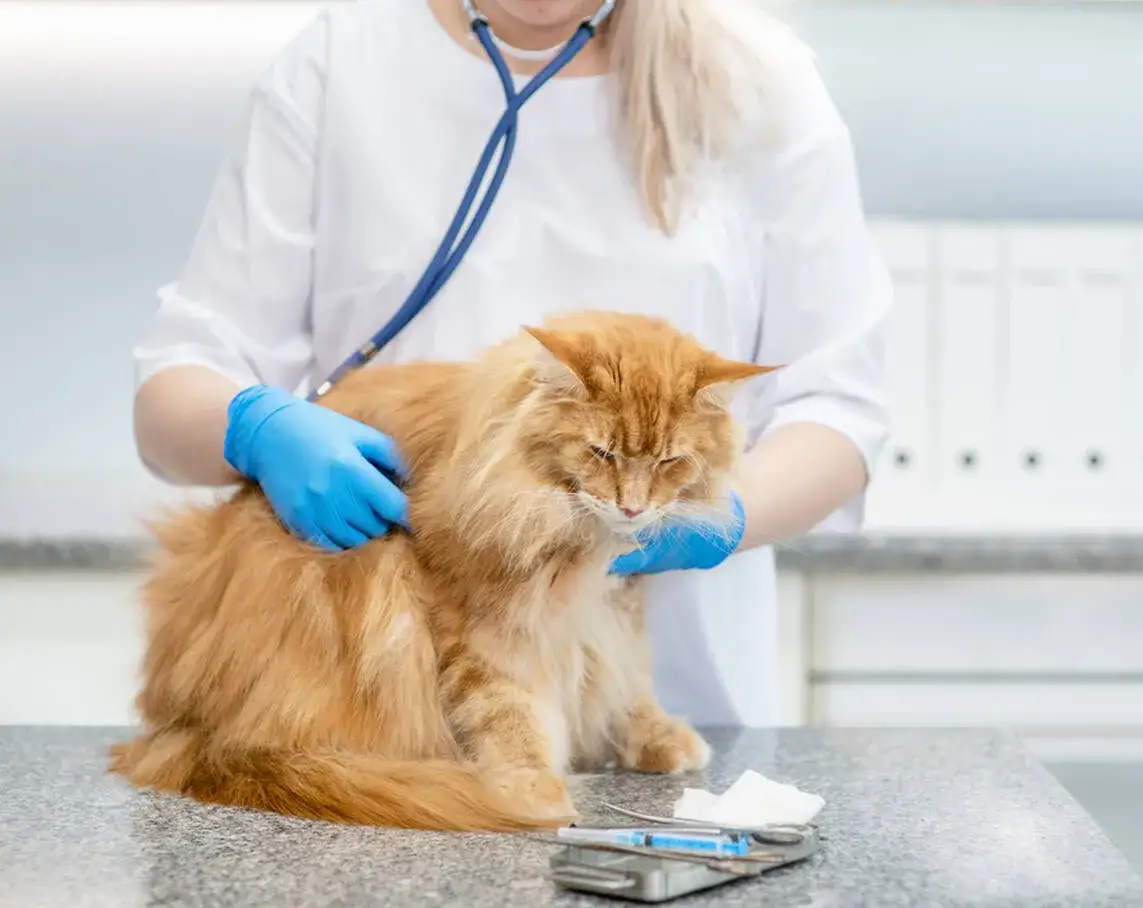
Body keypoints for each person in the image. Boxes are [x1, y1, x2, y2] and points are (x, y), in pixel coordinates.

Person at [131, 0, 891, 728]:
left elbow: (839, 411)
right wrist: (255, 427)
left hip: (673, 713)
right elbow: (177, 389)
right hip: (387, 702)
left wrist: (719, 519)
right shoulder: (340, 65)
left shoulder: (763, 80)